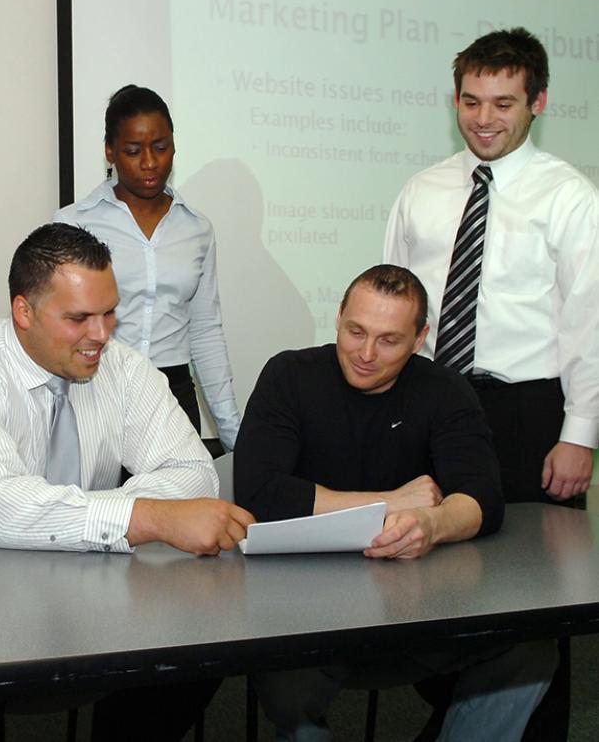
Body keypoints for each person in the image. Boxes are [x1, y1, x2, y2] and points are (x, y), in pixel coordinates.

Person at [0, 222, 253, 741]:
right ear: (24, 311)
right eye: (79, 318)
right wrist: (144, 515)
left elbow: (192, 475)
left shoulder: (122, 368)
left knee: (196, 648)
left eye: (109, 313)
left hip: (84, 574)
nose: (102, 334)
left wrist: (118, 516)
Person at [233, 265, 556, 742]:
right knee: (286, 686)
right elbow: (260, 493)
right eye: (355, 331)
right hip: (302, 607)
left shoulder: (446, 391)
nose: (365, 354)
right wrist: (391, 502)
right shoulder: (289, 375)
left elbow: (483, 497)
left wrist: (433, 524)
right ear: (339, 316)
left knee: (530, 649)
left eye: (388, 341)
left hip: (418, 605)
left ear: (421, 337)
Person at [383, 27, 599, 739]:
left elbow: (589, 324)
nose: (484, 118)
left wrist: (580, 437)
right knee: (438, 579)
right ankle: (465, 719)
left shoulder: (569, 196)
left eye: (503, 102)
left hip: (529, 413)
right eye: (472, 100)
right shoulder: (423, 189)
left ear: (537, 102)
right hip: (435, 404)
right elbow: (393, 303)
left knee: (536, 598)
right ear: (455, 100)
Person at [54, 85, 241, 451]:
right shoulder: (72, 224)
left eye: (161, 147)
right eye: (134, 151)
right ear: (110, 151)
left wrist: (234, 434)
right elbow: (53, 325)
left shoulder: (196, 229)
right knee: (102, 506)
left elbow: (205, 331)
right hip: (94, 386)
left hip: (174, 393)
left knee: (179, 505)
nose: (151, 162)